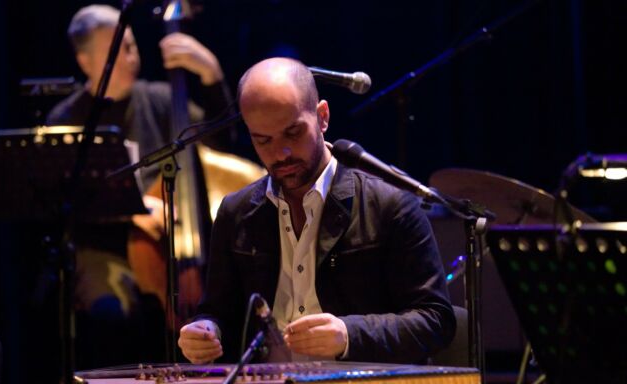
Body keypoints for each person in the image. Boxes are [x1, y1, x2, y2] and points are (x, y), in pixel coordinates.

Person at [178, 57, 456, 364]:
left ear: (322, 117)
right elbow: (219, 313)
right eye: (263, 140)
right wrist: (206, 331)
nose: (280, 153)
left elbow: (436, 321)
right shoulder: (235, 212)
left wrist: (348, 335)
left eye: (293, 133)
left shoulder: (391, 206)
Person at [45, 4, 237, 368]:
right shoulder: (67, 120)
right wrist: (136, 210)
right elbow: (66, 204)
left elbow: (222, 139)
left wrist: (211, 74)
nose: (134, 57)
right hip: (106, 251)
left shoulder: (160, 99)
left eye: (133, 46)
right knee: (112, 313)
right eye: (121, 50)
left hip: (173, 249)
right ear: (86, 62)